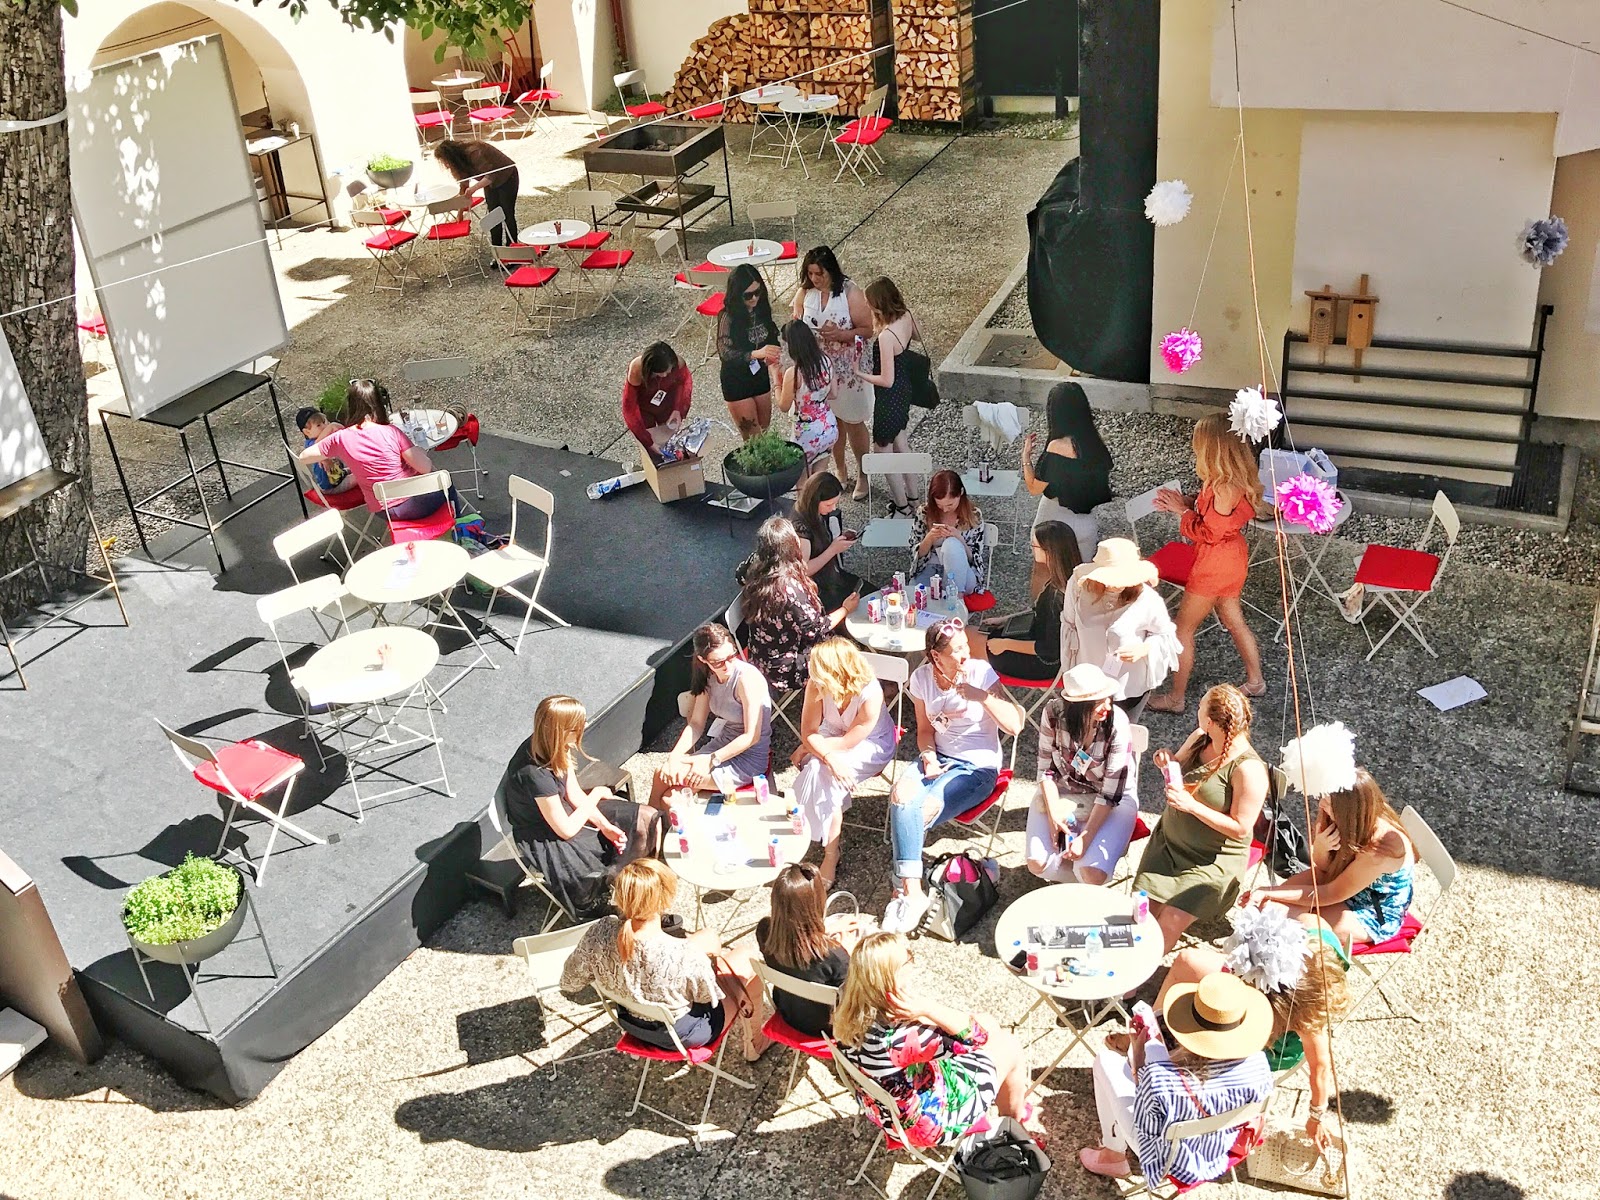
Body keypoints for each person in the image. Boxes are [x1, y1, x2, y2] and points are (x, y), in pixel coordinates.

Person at [1138, 903, 1352, 1151]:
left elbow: (1320, 1066)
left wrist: (1316, 1115)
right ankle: (1151, 1031)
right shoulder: (1311, 927)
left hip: (1276, 1044)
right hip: (1261, 978)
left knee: (1212, 1033)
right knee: (1189, 962)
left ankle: (1165, 1057)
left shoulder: (1305, 1014)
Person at [834, 933, 1040, 1148]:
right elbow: (978, 1038)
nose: (912, 963)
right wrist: (927, 1008)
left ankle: (1010, 1099)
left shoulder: (847, 1007)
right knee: (1009, 1045)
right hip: (925, 1123)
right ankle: (1014, 1126)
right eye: (909, 958)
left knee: (987, 1023)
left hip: (881, 1108)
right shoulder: (904, 1037)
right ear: (892, 975)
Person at [882, 622, 1023, 933]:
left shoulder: (980, 672)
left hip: (977, 767)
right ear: (936, 656)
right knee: (900, 796)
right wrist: (929, 757)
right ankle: (913, 893)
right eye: (957, 650)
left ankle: (901, 891)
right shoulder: (922, 679)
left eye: (965, 646)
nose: (966, 654)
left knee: (921, 810)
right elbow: (924, 731)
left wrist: (982, 697)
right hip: (939, 756)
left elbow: (1015, 725)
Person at [560, 858, 771, 1061]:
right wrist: (709, 966)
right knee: (747, 957)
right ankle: (755, 1044)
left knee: (709, 937)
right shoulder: (682, 955)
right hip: (681, 1035)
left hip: (631, 1023)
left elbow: (569, 982)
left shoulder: (599, 933)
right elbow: (708, 997)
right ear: (665, 900)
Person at [1080, 973, 1273, 1183]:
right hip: (1223, 1147)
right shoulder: (1260, 1065)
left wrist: (1138, 1055)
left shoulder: (1160, 1078)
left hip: (1170, 1159)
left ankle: (1112, 1155)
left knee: (1106, 1060)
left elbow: (1146, 1126)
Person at [496, 695, 666, 921]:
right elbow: (565, 830)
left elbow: (573, 793)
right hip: (545, 831)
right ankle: (635, 905)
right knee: (594, 871)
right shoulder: (534, 774)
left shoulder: (555, 745)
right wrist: (595, 794)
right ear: (559, 731)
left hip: (563, 810)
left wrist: (604, 825)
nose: (584, 727)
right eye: (577, 726)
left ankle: (639, 886)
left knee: (646, 817)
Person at [1135, 686, 1268, 951]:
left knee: (1170, 920)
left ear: (1211, 721)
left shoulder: (1248, 770)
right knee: (1141, 911)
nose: (1196, 710)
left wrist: (1192, 806)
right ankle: (1129, 961)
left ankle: (1139, 972)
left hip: (1210, 862)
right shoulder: (1200, 737)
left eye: (1200, 707)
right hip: (1169, 847)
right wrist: (1167, 761)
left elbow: (1241, 828)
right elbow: (1177, 764)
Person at [1147, 415, 1266, 713]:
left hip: (1214, 563)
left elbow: (1210, 532)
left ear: (1211, 449)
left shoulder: (1223, 487)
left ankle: (1176, 698)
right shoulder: (1230, 479)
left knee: (1182, 629)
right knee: (1234, 620)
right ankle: (1255, 681)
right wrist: (1187, 503)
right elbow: (1213, 517)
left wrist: (1181, 512)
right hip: (1231, 558)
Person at [1246, 769, 1416, 950]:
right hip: (1343, 882)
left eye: (1328, 802)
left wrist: (1268, 892)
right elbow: (1323, 867)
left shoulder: (1379, 849)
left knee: (1285, 921)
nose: (1321, 803)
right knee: (1268, 909)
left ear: (1346, 809)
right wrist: (1321, 847)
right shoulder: (1351, 818)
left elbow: (1330, 893)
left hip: (1374, 908)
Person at [790, 639, 899, 887]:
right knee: (819, 767)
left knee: (822, 772)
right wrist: (822, 754)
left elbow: (850, 741)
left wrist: (812, 748)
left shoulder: (870, 692)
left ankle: (830, 854)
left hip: (871, 743)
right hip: (833, 735)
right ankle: (826, 836)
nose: (812, 674)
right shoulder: (817, 684)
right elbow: (809, 732)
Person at [1025, 664, 1138, 887]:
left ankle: (1082, 881)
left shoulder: (1117, 723)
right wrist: (1053, 815)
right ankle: (1074, 882)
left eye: (1108, 698)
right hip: (1064, 788)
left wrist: (1085, 839)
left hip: (1112, 799)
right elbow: (1045, 770)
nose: (1107, 706)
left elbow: (1110, 793)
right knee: (1037, 864)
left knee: (1091, 874)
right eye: (1098, 702)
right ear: (1077, 706)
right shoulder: (1053, 713)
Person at [650, 624, 772, 808]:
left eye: (731, 656)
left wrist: (710, 760)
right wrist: (674, 756)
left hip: (747, 756)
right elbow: (696, 724)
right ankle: (648, 821)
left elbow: (751, 736)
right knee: (666, 785)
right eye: (718, 662)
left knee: (665, 784)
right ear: (703, 660)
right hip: (721, 746)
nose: (728, 665)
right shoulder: (708, 677)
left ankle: (646, 821)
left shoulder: (746, 679)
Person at [298, 379, 455, 519]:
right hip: (413, 503)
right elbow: (425, 468)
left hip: (383, 510)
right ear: (378, 405)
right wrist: (419, 452)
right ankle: (461, 529)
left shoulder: (340, 438)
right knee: (443, 479)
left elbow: (303, 457)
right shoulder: (391, 432)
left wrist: (324, 452)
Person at [1060, 538, 1182, 719]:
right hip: (1087, 684)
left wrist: (1144, 649)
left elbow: (1165, 633)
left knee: (1123, 734)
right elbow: (1068, 624)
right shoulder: (1078, 586)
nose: (1114, 584)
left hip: (1128, 686)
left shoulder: (1147, 598)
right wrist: (1069, 667)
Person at [792, 246, 875, 498]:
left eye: (820, 273)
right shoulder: (805, 292)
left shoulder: (850, 292)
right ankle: (840, 469)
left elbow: (867, 329)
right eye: (810, 273)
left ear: (831, 270)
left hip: (848, 369)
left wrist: (842, 334)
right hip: (821, 369)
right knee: (831, 420)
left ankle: (864, 474)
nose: (815, 278)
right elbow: (796, 322)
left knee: (853, 421)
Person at [739, 517, 858, 693]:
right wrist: (846, 608)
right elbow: (817, 628)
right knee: (842, 648)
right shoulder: (788, 588)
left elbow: (739, 574)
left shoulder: (755, 569)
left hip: (761, 658)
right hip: (786, 670)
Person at [755, 862, 872, 1037]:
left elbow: (797, 942)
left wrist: (825, 934)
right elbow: (852, 997)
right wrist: (848, 952)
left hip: (788, 1014)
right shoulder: (835, 957)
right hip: (827, 1029)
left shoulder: (765, 931)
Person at [1021, 381, 1114, 589]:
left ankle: (1042, 610)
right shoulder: (1094, 444)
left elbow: (1034, 488)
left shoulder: (1057, 446)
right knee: (1080, 584)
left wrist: (1026, 458)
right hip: (1086, 524)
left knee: (1044, 577)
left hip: (1054, 524)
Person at [971, 521, 1079, 683]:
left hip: (1041, 663)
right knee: (970, 633)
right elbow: (1037, 612)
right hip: (1034, 640)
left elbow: (1049, 650)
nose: (1031, 549)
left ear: (1049, 551)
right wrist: (1006, 620)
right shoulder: (1065, 580)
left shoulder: (1057, 596)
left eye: (1034, 546)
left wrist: (1005, 644)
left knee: (964, 642)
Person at [855, 276, 922, 514]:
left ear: (878, 303)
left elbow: (886, 379)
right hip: (905, 390)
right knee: (901, 443)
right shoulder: (906, 316)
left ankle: (902, 506)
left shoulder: (886, 337)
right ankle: (914, 499)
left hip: (889, 398)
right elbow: (917, 336)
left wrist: (861, 373)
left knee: (883, 453)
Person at [717, 263, 781, 440]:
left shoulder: (761, 309)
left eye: (757, 292)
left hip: (759, 375)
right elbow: (724, 352)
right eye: (748, 295)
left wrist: (774, 352)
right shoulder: (727, 316)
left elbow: (771, 334)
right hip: (737, 380)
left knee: (765, 431)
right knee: (753, 438)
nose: (754, 298)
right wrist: (755, 354)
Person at [776, 320, 842, 479]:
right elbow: (833, 393)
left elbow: (784, 406)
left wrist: (776, 381)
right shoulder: (826, 360)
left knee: (803, 483)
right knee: (818, 480)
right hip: (828, 427)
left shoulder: (794, 373)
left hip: (806, 433)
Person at [907, 470, 987, 595]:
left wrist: (959, 538)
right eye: (939, 505)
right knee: (915, 594)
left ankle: (955, 597)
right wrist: (929, 538)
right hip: (931, 568)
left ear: (961, 493)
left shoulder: (974, 515)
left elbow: (975, 558)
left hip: (963, 572)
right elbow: (914, 553)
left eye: (950, 504)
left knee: (951, 544)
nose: (945, 509)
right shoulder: (924, 512)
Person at [793, 471, 862, 611]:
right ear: (814, 500)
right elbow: (804, 570)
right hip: (817, 588)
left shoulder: (815, 512)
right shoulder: (801, 528)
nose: (833, 508)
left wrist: (840, 539)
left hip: (829, 576)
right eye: (829, 505)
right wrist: (833, 550)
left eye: (835, 503)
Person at [434, 137, 520, 245]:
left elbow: (492, 174)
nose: (446, 165)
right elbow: (464, 186)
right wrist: (460, 212)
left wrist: (474, 189)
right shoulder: (459, 163)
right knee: (493, 215)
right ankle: (497, 248)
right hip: (489, 182)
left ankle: (512, 246)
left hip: (507, 176)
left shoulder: (474, 152)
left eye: (445, 161)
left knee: (507, 213)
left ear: (451, 157)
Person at [621, 342, 692, 461]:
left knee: (670, 438)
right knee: (651, 446)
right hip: (645, 407)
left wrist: (677, 409)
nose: (664, 375)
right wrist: (648, 442)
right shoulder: (637, 370)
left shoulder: (678, 364)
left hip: (667, 402)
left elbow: (683, 384)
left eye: (667, 372)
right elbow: (629, 408)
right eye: (659, 373)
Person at [294, 407, 358, 497]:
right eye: (318, 425)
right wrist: (331, 427)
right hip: (332, 486)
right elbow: (317, 446)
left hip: (339, 474)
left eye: (324, 422)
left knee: (359, 467)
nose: (324, 426)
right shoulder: (310, 445)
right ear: (307, 432)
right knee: (361, 475)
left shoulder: (324, 438)